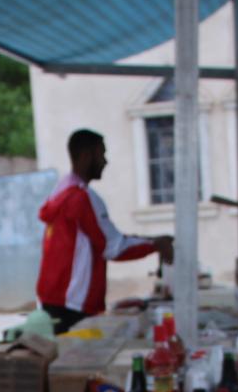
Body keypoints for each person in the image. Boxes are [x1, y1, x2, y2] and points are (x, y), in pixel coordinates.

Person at [36, 129, 174, 334]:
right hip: (74, 306)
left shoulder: (60, 193)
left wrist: (150, 241)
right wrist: (156, 244)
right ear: (86, 156)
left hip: (53, 301)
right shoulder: (81, 198)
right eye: (102, 154)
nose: (105, 161)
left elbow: (106, 239)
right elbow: (113, 247)